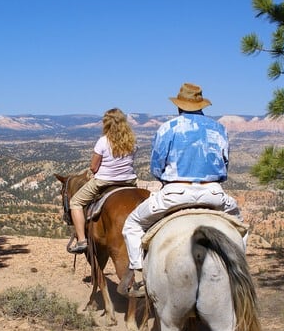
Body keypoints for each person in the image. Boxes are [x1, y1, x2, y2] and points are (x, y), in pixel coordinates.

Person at [121, 82, 242, 297]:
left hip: (174, 193)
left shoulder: (168, 128)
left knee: (132, 224)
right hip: (212, 193)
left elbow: (156, 166)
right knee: (240, 227)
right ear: (202, 105)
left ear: (179, 105)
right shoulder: (219, 128)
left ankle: (139, 275)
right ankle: (239, 274)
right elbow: (225, 164)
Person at [67, 108, 138, 253]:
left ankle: (81, 240)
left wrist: (93, 171)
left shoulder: (103, 141)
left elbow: (93, 167)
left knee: (75, 202)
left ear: (106, 123)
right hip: (129, 181)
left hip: (104, 181)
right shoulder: (132, 141)